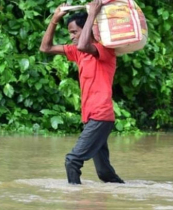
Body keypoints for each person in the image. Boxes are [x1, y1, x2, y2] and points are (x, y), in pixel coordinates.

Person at [39, 0, 124, 185]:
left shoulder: (105, 50)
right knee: (104, 173)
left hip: (100, 116)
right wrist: (54, 20)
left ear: (87, 29)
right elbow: (45, 48)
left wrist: (92, 15)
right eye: (70, 33)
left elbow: (85, 45)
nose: (71, 37)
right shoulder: (79, 53)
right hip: (91, 117)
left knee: (72, 161)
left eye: (74, 32)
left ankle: (74, 198)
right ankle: (127, 196)